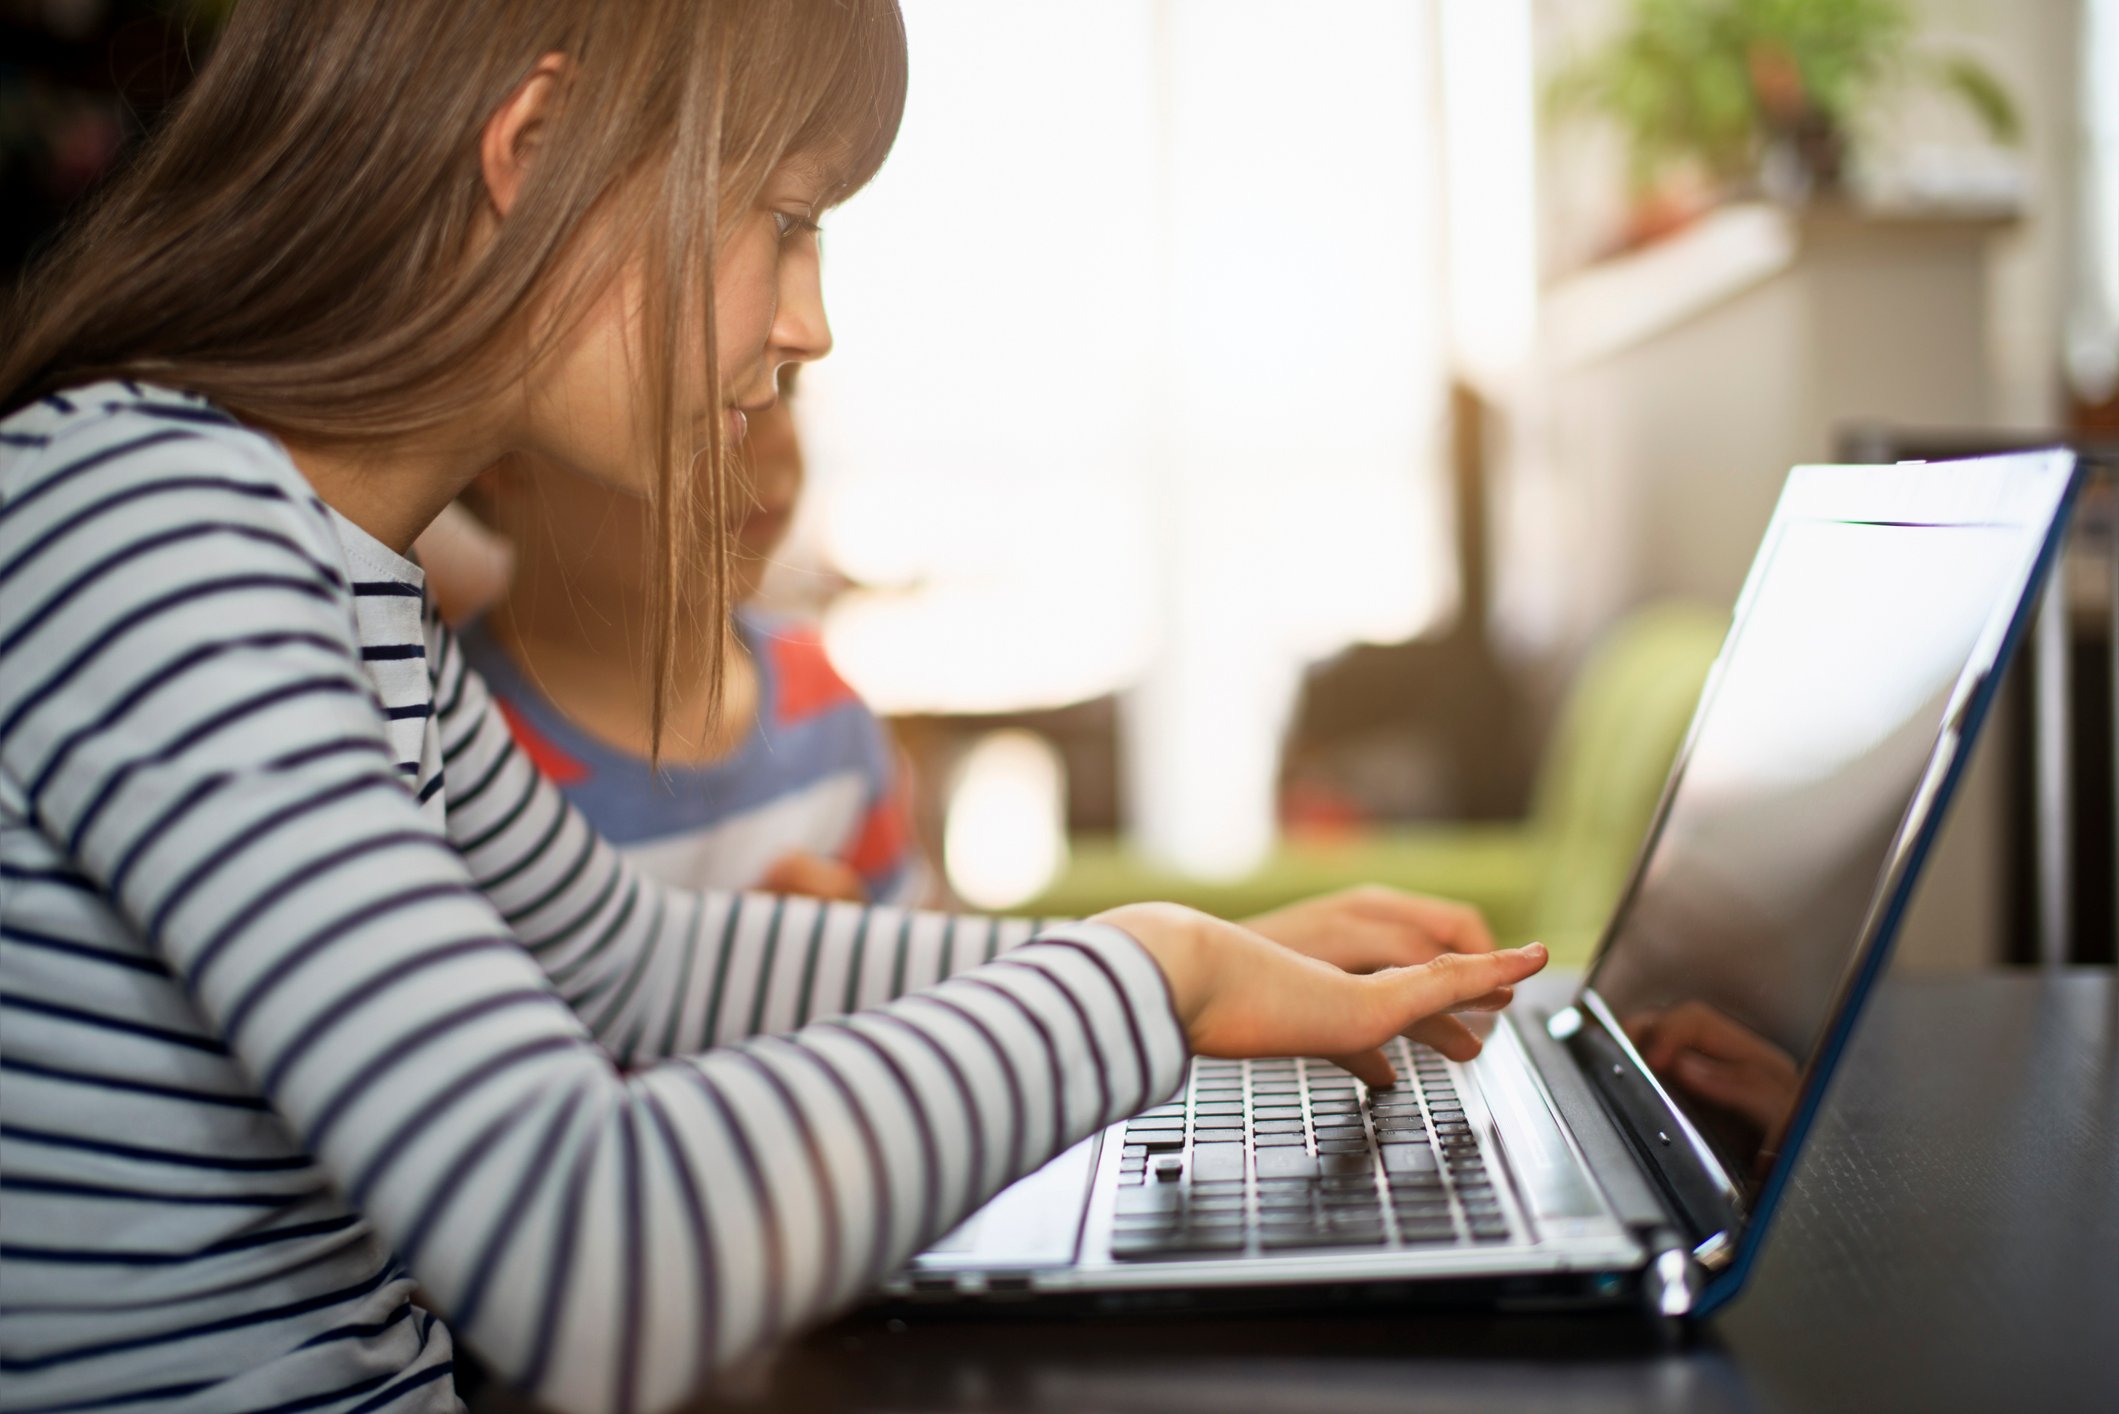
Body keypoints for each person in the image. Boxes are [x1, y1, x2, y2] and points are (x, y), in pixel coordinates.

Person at [0, 3, 1548, 1411]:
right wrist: (1153, 981)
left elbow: (635, 962)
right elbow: (583, 1242)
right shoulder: (153, 528)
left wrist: (1202, 958)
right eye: (788, 220)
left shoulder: (336, 574)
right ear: (533, 157)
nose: (810, 323)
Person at [449, 376, 919, 905]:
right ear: (501, 453)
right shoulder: (447, 755)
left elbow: (913, 949)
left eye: (783, 387)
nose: (774, 439)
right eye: (697, 406)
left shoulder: (826, 710)